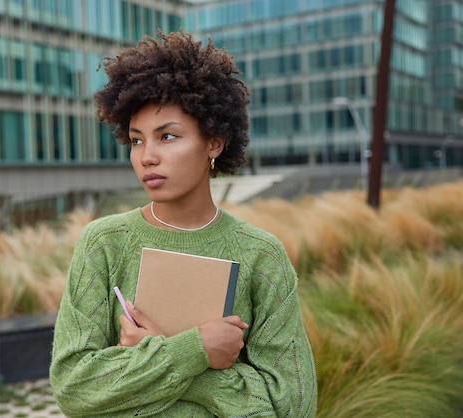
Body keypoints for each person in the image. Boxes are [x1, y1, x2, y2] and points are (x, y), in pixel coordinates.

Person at [49, 30, 317, 417]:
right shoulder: (103, 243)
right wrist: (197, 351)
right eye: (137, 141)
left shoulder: (262, 255)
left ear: (214, 142)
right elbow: (75, 387)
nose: (147, 157)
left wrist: (158, 357)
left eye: (168, 136)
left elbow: (291, 407)